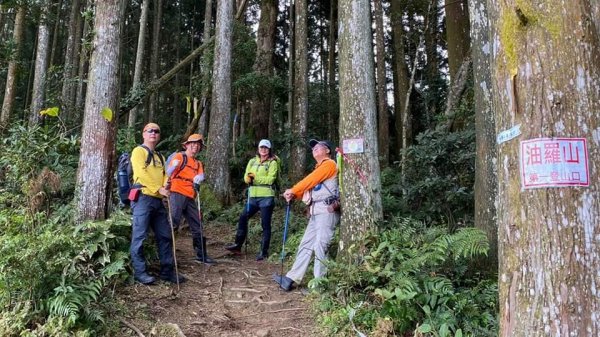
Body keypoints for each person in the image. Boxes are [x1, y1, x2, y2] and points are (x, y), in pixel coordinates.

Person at [273, 139, 340, 291]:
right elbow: (310, 186)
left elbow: (310, 181)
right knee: (306, 244)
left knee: (320, 246)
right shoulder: (319, 168)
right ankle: (291, 278)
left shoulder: (329, 165)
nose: (314, 149)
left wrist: (293, 190)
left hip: (326, 210)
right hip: (316, 211)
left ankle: (319, 286)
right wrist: (295, 195)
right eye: (313, 148)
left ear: (328, 151)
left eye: (318, 147)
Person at [129, 123, 185, 285]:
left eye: (156, 131)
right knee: (139, 236)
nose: (153, 133)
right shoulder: (138, 151)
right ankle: (140, 272)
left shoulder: (159, 156)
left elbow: (165, 175)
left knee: (165, 235)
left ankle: (167, 271)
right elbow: (140, 173)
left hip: (158, 201)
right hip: (143, 199)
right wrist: (158, 188)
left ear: (159, 136)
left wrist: (166, 185)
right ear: (144, 134)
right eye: (150, 131)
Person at [225, 139, 280, 261]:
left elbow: (270, 179)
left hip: (266, 197)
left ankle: (263, 252)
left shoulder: (273, 163)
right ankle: (238, 245)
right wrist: (248, 179)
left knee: (265, 224)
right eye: (261, 147)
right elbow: (246, 176)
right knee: (243, 217)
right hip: (253, 197)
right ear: (258, 148)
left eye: (266, 148)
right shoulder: (252, 161)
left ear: (269, 149)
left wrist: (254, 178)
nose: (263, 150)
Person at [166, 134, 216, 265]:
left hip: (190, 194)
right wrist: (172, 167)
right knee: (173, 222)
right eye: (193, 143)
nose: (196, 146)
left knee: (197, 224)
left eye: (198, 144)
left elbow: (200, 175)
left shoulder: (198, 163)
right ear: (187, 145)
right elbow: (168, 173)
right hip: (177, 191)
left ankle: (201, 255)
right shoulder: (180, 157)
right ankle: (166, 254)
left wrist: (200, 178)